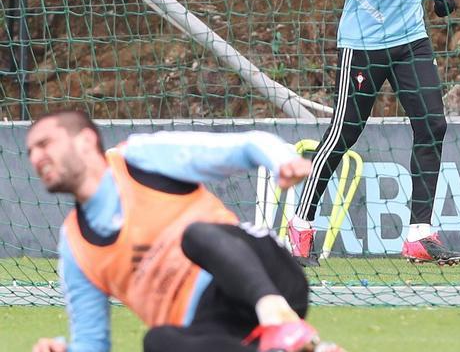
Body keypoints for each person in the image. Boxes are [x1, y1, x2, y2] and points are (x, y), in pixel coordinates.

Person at [27, 110, 344, 352]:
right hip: (217, 331)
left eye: (44, 144)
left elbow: (249, 144)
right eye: (30, 151)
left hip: (269, 279)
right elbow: (93, 343)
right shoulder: (75, 247)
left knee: (194, 235)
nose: (36, 157)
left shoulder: (139, 159)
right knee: (159, 341)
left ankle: (280, 319)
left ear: (85, 140)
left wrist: (283, 160)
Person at [287, 0, 460, 267]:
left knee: (433, 124)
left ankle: (419, 233)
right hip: (364, 42)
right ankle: (300, 225)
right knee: (343, 136)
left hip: (410, 39)